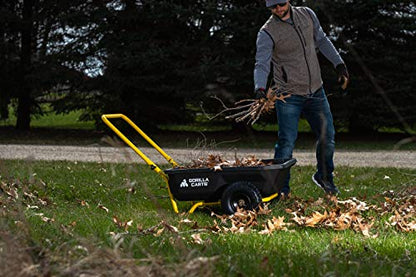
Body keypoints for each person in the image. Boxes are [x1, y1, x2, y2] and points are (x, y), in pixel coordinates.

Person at [254, 0, 349, 197]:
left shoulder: (307, 14)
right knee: (286, 142)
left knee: (328, 137)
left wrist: (339, 64)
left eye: (281, 4)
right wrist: (260, 88)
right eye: (273, 7)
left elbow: (322, 40)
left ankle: (324, 177)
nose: (278, 9)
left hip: (316, 90)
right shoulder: (267, 31)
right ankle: (280, 190)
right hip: (288, 94)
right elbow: (261, 63)